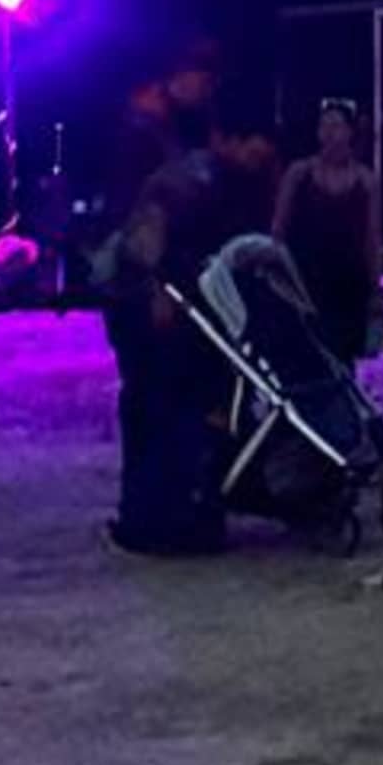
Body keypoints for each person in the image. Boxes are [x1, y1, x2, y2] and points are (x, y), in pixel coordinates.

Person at [97, 153, 231, 555]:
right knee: (159, 422)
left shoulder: (157, 201)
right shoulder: (160, 205)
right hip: (152, 344)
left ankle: (154, 519)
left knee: (154, 423)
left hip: (154, 352)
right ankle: (158, 520)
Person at [274, 97, 383, 361]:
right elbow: (278, 227)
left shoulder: (366, 181)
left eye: (336, 126)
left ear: (349, 132)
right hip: (305, 280)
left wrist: (375, 290)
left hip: (348, 283)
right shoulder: (299, 173)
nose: (329, 134)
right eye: (324, 126)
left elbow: (372, 238)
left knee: (345, 357)